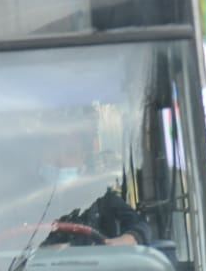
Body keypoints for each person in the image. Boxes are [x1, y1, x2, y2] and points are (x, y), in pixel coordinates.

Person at [39, 106, 150, 248]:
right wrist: (43, 251)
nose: (61, 162)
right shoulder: (20, 204)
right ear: (41, 156)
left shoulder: (99, 197)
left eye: (70, 154)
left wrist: (130, 238)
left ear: (83, 159)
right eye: (54, 153)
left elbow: (140, 225)